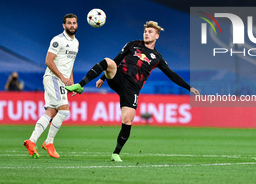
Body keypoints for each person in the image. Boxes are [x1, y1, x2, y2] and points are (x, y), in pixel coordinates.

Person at [66, 21, 200, 162]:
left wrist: (189, 87)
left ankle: (116, 153)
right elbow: (116, 60)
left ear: (157, 36)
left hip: (132, 88)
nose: (147, 34)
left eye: (150, 32)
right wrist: (102, 78)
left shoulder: (157, 58)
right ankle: (80, 85)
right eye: (146, 31)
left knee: (127, 120)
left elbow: (172, 74)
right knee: (107, 61)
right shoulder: (132, 44)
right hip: (119, 77)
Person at [23, 14, 79, 159]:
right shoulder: (58, 40)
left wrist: (70, 80)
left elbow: (69, 63)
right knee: (64, 111)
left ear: (77, 25)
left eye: (74, 23)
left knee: (51, 112)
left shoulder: (76, 43)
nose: (72, 25)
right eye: (69, 23)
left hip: (61, 80)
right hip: (53, 78)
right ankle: (49, 142)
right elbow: (48, 61)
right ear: (63, 25)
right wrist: (62, 78)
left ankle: (31, 141)